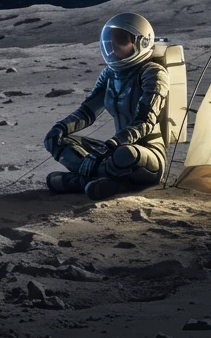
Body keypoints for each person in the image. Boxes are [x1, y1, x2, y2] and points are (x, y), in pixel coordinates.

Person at [43, 12, 169, 202]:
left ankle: (83, 181)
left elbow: (144, 122)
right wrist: (61, 128)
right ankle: (103, 181)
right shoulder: (110, 74)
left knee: (125, 154)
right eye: (110, 41)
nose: (113, 46)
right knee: (54, 139)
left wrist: (111, 145)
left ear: (142, 42)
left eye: (121, 40)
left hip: (145, 154)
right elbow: (87, 112)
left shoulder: (153, 73)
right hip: (114, 148)